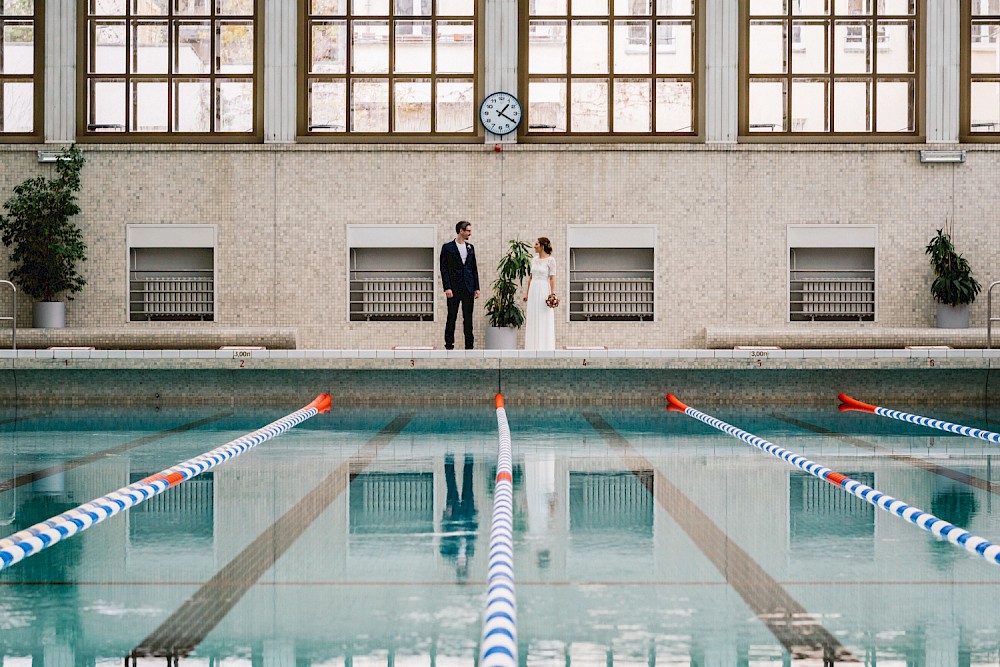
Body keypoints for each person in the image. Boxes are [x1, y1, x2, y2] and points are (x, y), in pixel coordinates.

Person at [439, 221, 481, 350]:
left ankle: (469, 345)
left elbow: (473, 268)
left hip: (468, 287)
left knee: (468, 317)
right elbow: (444, 268)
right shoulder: (447, 247)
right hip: (454, 287)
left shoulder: (470, 247)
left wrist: (477, 287)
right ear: (461, 231)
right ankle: (449, 344)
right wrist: (447, 287)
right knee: (452, 316)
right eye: (468, 230)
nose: (470, 233)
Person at [522, 237, 557, 350]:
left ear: (542, 246)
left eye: (536, 244)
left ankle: (545, 346)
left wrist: (552, 294)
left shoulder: (551, 260)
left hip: (543, 288)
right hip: (534, 289)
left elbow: (552, 278)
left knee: (543, 314)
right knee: (533, 314)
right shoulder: (534, 260)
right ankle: (532, 346)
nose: (534, 246)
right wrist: (527, 293)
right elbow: (530, 278)